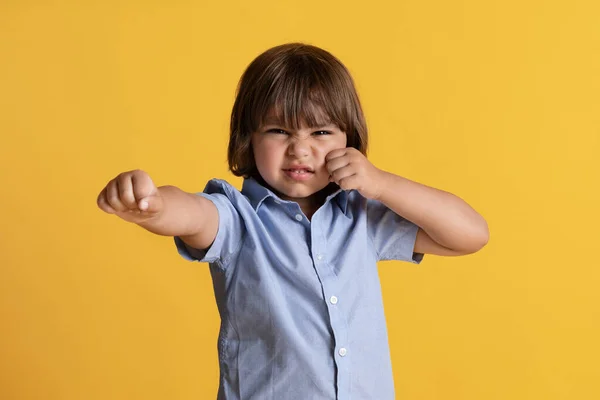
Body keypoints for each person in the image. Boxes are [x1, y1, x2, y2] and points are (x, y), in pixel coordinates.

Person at [97, 43, 489, 400]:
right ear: (248, 139)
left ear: (348, 141)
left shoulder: (361, 217)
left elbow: (471, 234)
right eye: (278, 130)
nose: (300, 148)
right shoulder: (238, 219)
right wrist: (152, 204)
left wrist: (381, 183)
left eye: (321, 131)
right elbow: (191, 212)